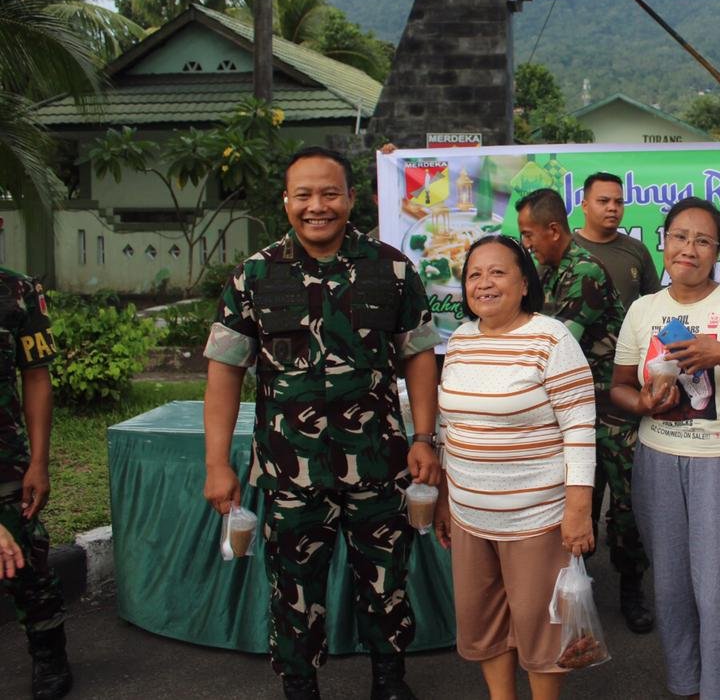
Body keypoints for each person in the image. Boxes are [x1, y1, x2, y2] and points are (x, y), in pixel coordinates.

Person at [203, 146, 441, 700]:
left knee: (386, 579)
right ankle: (299, 683)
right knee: (292, 585)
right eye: (304, 195)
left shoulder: (391, 268)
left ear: (351, 198)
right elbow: (224, 372)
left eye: (330, 193)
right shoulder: (254, 275)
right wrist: (217, 464)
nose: (317, 206)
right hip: (291, 471)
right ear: (286, 201)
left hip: (378, 463)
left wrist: (424, 437)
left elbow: (419, 355)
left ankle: (389, 678)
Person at [611, 197, 720, 700]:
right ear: (663, 242)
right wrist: (642, 403)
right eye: (680, 237)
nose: (689, 248)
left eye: (703, 240)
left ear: (717, 251)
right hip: (658, 459)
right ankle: (685, 684)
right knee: (671, 584)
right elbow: (619, 387)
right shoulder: (644, 309)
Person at [432, 234, 596, 700]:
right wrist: (445, 498)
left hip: (536, 519)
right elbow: (450, 428)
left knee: (542, 631)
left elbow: (580, 428)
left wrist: (578, 510)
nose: (484, 283)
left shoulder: (551, 338)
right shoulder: (460, 340)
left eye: (497, 272)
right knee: (484, 624)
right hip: (470, 516)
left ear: (524, 283)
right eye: (474, 275)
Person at [515, 189, 652, 634]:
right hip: (571, 413)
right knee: (578, 502)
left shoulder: (585, 271)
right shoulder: (543, 270)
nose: (526, 244)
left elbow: (555, 342)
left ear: (554, 230)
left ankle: (631, 590)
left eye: (529, 234)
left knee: (626, 506)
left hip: (612, 410)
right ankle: (579, 586)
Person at [0, 266, 72, 700]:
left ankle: (48, 653)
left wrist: (39, 463)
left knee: (26, 556)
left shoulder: (18, 291)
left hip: (5, 457)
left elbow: (36, 377)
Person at [572, 172, 660, 309]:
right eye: (603, 201)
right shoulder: (564, 249)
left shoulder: (637, 249)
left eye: (619, 202)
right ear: (585, 206)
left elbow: (656, 304)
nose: (613, 208)